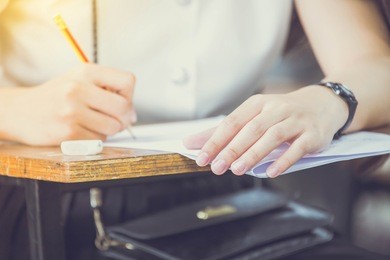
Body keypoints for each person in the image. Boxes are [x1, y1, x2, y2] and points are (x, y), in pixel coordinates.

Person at [0, 0, 389, 259]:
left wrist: (330, 98)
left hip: (234, 193)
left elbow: (375, 65)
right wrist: (16, 107)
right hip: (61, 201)